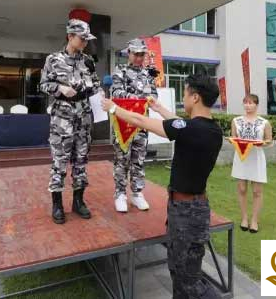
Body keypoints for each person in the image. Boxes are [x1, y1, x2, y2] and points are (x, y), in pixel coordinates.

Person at [102, 74, 223, 299]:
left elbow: (140, 121)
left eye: (185, 93)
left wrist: (114, 108)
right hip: (195, 209)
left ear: (195, 97)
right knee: (181, 272)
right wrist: (159, 108)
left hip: (186, 213)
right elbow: (182, 125)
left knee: (188, 281)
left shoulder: (190, 129)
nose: (183, 98)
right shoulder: (212, 130)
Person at [40, 18, 100, 224]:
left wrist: (98, 93)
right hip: (62, 119)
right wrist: (60, 88)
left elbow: (95, 86)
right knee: (59, 162)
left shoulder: (88, 61)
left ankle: (78, 201)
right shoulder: (53, 59)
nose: (85, 42)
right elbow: (43, 84)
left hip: (83, 117)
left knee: (81, 160)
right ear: (70, 36)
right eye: (82, 38)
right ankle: (57, 204)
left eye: (87, 39)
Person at [110, 38, 158, 212]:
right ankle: (120, 194)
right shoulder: (120, 72)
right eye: (136, 54)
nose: (139, 57)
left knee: (139, 160)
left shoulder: (148, 75)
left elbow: (154, 96)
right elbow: (116, 93)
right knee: (122, 160)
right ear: (128, 53)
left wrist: (147, 99)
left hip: (142, 125)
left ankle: (137, 193)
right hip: (123, 124)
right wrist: (139, 98)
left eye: (141, 54)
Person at [230, 94, 273, 234]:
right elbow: (234, 138)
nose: (248, 105)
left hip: (256, 158)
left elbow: (269, 140)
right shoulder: (236, 121)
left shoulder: (264, 123)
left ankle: (254, 220)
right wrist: (232, 140)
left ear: (256, 105)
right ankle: (244, 218)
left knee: (257, 191)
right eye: (245, 103)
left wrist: (262, 143)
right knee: (242, 189)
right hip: (241, 157)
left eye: (251, 103)